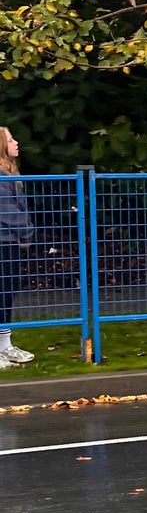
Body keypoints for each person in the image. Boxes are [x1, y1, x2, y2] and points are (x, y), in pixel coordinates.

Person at [0, 127, 35, 369]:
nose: (16, 142)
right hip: (3, 242)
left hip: (8, 241)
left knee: (7, 293)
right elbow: (8, 211)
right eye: (11, 139)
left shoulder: (10, 173)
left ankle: (4, 347)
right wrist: (26, 232)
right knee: (2, 292)